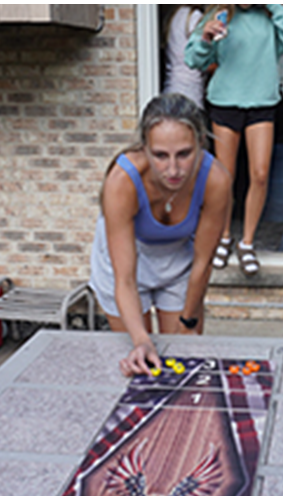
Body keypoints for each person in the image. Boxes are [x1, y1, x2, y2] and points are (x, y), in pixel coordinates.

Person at [89, 93, 232, 376]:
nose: (173, 170)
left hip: (179, 262)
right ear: (144, 148)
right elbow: (125, 279)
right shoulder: (122, 181)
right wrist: (142, 341)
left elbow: (203, 263)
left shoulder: (216, 179)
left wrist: (189, 323)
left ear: (200, 144)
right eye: (160, 156)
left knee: (182, 361)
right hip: (127, 264)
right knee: (141, 364)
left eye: (184, 154)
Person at [185, 3, 283, 277]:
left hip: (262, 103)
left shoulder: (270, 17)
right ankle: (225, 236)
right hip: (225, 102)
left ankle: (247, 242)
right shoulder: (217, 15)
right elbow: (193, 60)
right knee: (225, 178)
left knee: (260, 175)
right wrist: (205, 37)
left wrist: (274, 4)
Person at [162, 4, 207, 108]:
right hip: (190, 89)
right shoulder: (194, 16)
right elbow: (200, 55)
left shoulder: (175, 14)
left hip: (172, 86)